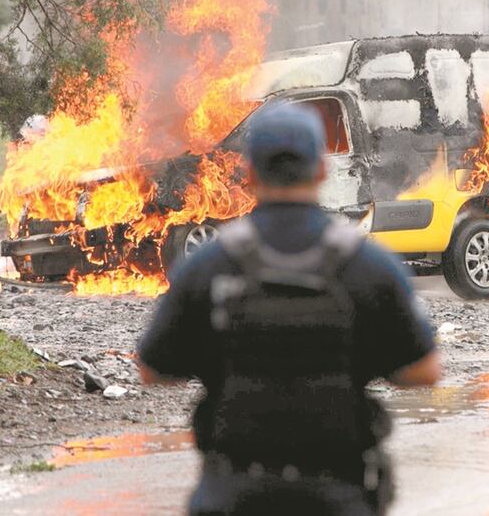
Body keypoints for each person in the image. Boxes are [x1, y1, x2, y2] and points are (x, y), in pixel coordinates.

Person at [137, 102, 442, 516]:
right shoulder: (368, 266)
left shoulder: (208, 266)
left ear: (248, 176)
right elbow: (424, 370)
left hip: (234, 494)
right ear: (320, 170)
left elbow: (153, 369)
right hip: (340, 495)